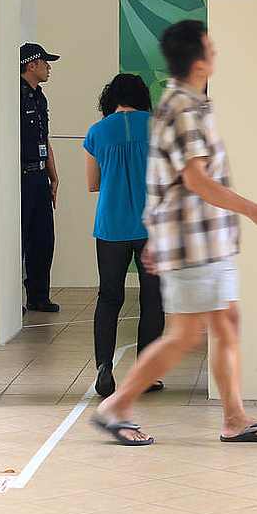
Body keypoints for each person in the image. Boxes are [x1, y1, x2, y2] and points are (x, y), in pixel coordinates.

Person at [91, 20, 257, 446]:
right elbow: (196, 180)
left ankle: (234, 418)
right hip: (192, 243)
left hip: (206, 240)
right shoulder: (180, 108)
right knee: (184, 335)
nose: (216, 51)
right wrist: (254, 209)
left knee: (226, 323)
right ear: (199, 58)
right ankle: (116, 405)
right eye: (210, 45)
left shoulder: (193, 104)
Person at [84, 74, 165, 398]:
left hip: (111, 225)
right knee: (153, 298)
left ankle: (104, 366)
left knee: (109, 297)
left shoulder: (97, 132)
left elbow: (92, 183)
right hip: (152, 227)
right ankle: (146, 373)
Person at [20, 42, 61, 313]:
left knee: (44, 239)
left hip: (39, 176)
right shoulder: (15, 95)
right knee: (19, 238)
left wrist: (53, 176)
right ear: (32, 64)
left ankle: (38, 295)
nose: (48, 68)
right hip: (20, 177)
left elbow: (44, 137)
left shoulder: (40, 97)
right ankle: (14, 299)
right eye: (45, 63)